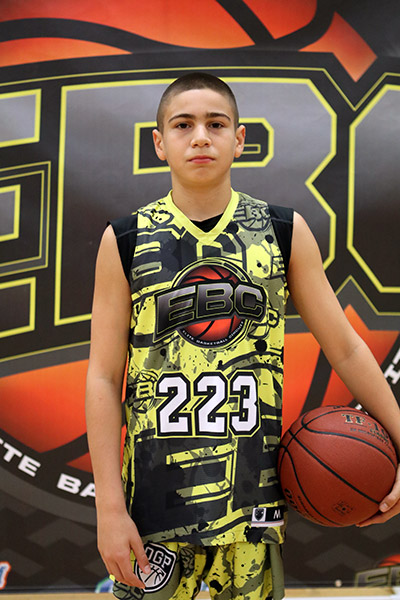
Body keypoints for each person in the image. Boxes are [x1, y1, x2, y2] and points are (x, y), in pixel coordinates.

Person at [85, 73, 400, 600]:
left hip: (252, 509)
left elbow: (345, 348)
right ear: (159, 143)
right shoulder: (126, 239)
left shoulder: (282, 230)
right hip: (153, 512)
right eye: (183, 125)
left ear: (240, 139)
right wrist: (109, 509)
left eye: (216, 124)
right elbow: (102, 376)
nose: (200, 137)